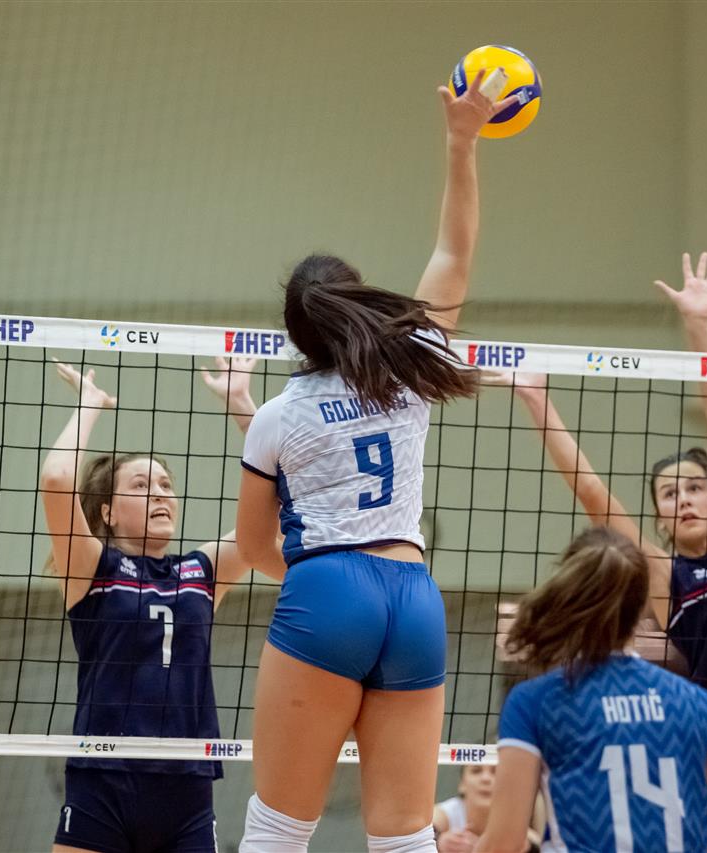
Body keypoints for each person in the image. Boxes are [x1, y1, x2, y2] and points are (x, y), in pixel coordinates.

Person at [234, 71, 517, 853]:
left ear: (297, 332)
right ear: (356, 304)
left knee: (277, 829)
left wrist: (323, 588)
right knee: (404, 834)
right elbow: (453, 249)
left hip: (327, 587)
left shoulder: (279, 415)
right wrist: (461, 142)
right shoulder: (411, 364)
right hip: (414, 596)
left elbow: (254, 546)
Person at [486, 253, 707, 851]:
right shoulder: (664, 576)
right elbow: (593, 494)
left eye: (695, 488)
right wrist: (538, 402)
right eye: (669, 493)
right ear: (659, 514)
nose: (684, 499)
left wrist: (700, 326)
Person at [41, 356, 263, 853]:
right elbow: (56, 478)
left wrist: (242, 406)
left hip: (185, 783)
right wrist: (90, 403)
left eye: (166, 485)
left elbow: (281, 500)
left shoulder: (202, 571)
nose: (160, 494)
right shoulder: (90, 566)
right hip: (103, 777)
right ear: (108, 512)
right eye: (141, 486)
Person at [475, 527, 707, 853]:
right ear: (641, 608)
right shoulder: (701, 705)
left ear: (567, 593)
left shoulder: (535, 702)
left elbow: (504, 843)